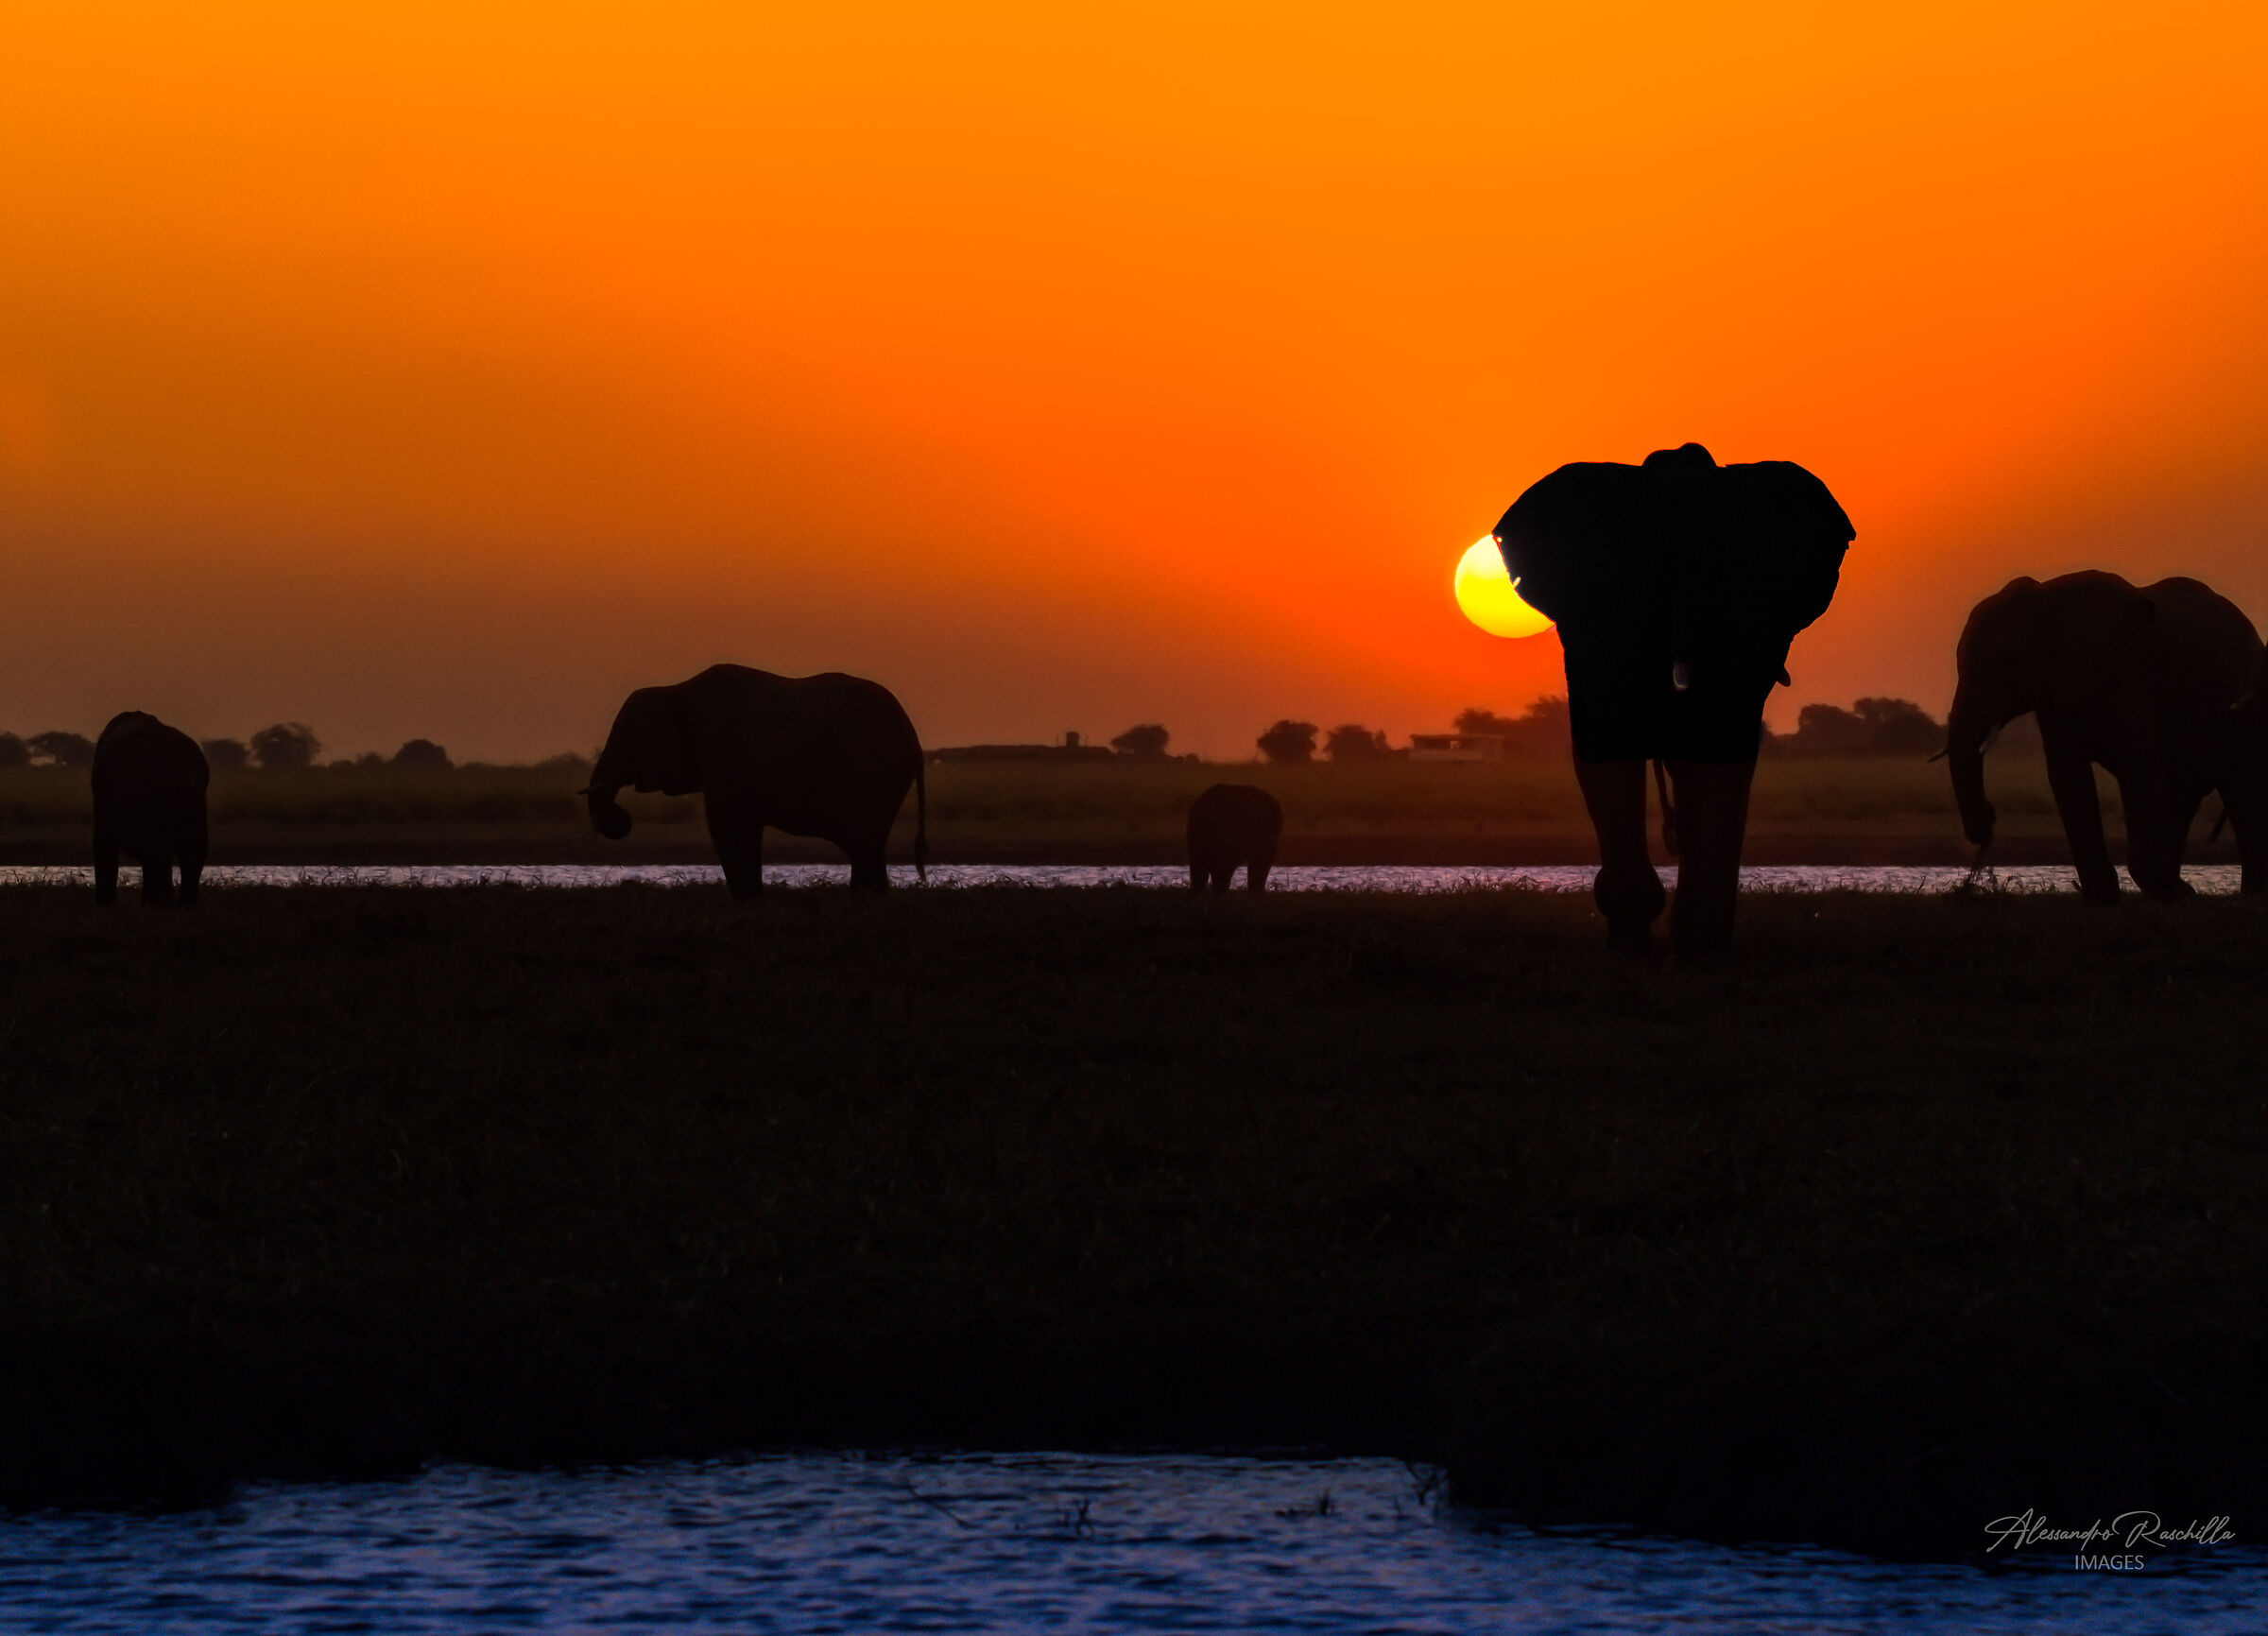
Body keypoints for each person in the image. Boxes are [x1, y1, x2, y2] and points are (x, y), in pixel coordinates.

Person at [1493, 443, 1853, 956]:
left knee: (1618, 825)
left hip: (1613, 663)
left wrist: (1583, 623)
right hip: (1723, 662)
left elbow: (1520, 546)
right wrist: (1768, 635)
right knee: (1713, 854)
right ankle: (1703, 940)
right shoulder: (1768, 505)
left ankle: (1629, 916)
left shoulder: (1583, 503)